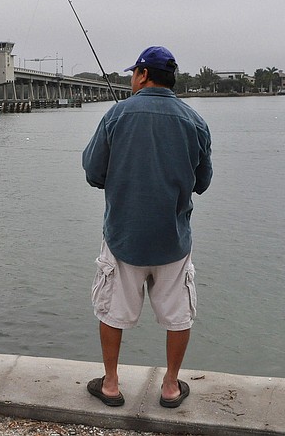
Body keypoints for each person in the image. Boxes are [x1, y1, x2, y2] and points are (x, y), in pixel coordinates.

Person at [81, 46, 212, 409]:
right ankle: (170, 386)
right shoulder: (195, 121)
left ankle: (111, 384)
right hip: (174, 239)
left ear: (142, 74)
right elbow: (203, 181)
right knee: (178, 315)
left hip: (123, 236)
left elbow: (93, 172)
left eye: (133, 74)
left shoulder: (116, 114)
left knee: (112, 310)